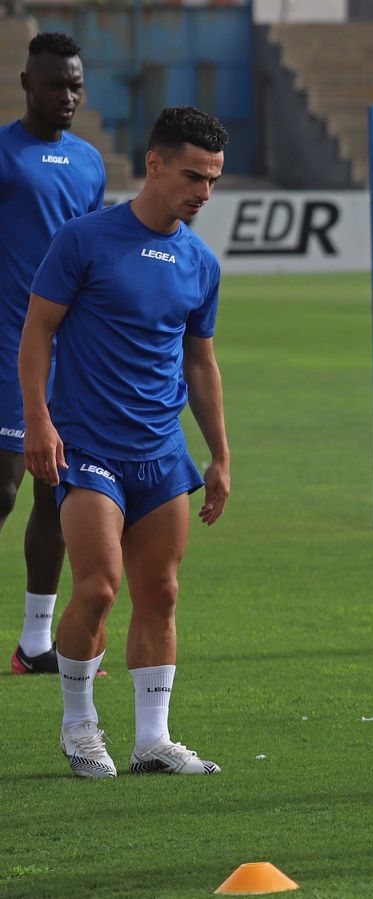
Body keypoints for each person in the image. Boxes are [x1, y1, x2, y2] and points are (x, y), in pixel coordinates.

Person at [22, 106, 231, 778]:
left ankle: (152, 739)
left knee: (162, 592)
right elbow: (37, 332)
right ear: (155, 164)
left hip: (162, 453)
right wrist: (38, 420)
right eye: (194, 176)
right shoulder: (84, 240)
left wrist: (220, 453)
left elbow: (201, 361)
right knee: (99, 587)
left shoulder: (200, 262)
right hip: (87, 447)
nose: (203, 192)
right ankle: (79, 724)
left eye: (214, 181)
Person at [3, 32, 104, 675]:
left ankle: (35, 643)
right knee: (3, 490)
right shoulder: (3, 154)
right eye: (53, 85)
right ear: (26, 85)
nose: (66, 96)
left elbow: (89, 256)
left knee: (53, 494)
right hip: (6, 347)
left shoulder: (91, 162)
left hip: (69, 357)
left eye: (75, 84)